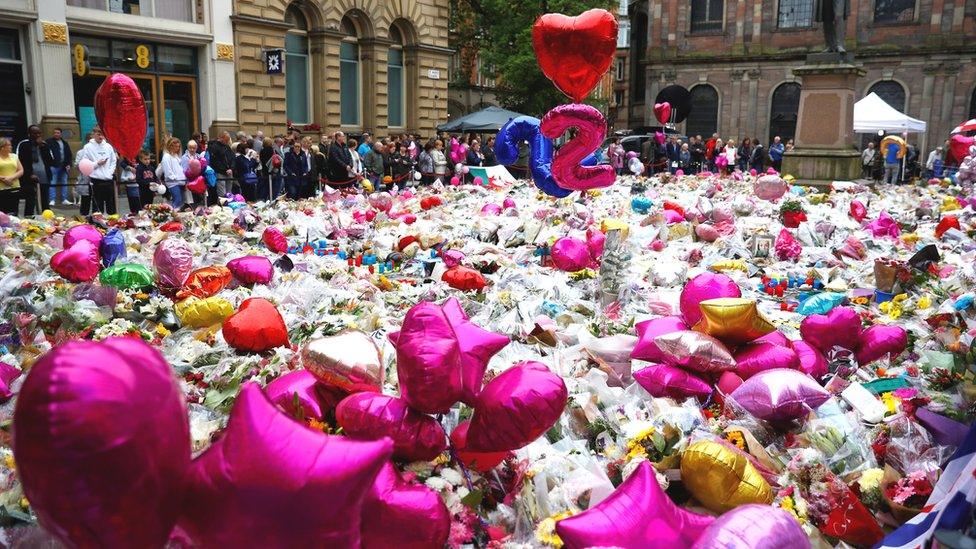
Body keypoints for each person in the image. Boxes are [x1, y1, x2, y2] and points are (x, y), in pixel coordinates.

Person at [16, 125, 54, 216]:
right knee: (31, 201)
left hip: (44, 176)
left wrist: (42, 147)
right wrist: (30, 174)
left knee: (45, 200)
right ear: (29, 134)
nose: (37, 135)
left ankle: (46, 218)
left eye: (39, 133)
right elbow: (21, 162)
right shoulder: (24, 144)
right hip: (29, 178)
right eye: (35, 133)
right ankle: (29, 218)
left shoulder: (44, 145)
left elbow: (51, 161)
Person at [79, 125, 117, 215]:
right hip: (95, 180)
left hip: (108, 179)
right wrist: (97, 164)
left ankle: (113, 224)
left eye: (102, 135)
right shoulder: (88, 147)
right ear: (93, 134)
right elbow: (84, 164)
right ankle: (97, 225)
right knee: (97, 206)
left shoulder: (108, 146)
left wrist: (110, 173)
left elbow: (113, 161)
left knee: (111, 206)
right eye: (98, 134)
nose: (101, 137)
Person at [206, 131, 235, 205]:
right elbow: (215, 162)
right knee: (222, 193)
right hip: (220, 173)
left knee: (229, 193)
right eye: (226, 140)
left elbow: (232, 158)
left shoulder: (227, 147)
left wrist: (231, 168)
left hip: (229, 172)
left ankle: (229, 205)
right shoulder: (214, 147)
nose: (228, 141)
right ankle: (222, 206)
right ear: (221, 138)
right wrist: (225, 170)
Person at [158, 137, 186, 210]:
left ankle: (176, 214)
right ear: (171, 146)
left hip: (181, 181)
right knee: (177, 200)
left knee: (181, 201)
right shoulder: (166, 156)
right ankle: (172, 214)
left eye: (179, 146)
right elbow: (167, 170)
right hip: (173, 182)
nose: (178, 148)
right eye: (176, 146)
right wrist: (174, 178)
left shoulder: (176, 156)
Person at [46, 128, 72, 205]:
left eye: (58, 133)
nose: (56, 134)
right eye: (55, 133)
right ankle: (52, 200)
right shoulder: (48, 142)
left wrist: (69, 164)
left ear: (61, 134)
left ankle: (64, 199)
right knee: (52, 182)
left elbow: (69, 154)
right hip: (53, 166)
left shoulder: (64, 143)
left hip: (64, 166)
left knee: (64, 182)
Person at [0, 138, 24, 215]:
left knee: (13, 212)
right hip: (1, 188)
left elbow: (21, 170)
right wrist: (4, 179)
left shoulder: (14, 156)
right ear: (2, 147)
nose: (11, 147)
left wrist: (10, 178)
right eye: (9, 145)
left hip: (14, 187)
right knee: (2, 212)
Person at [181, 140, 206, 206]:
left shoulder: (199, 156)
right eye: (190, 147)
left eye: (194, 148)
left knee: (200, 201)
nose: (192, 149)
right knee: (192, 202)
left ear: (196, 148)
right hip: (189, 182)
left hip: (198, 182)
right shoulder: (184, 158)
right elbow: (184, 170)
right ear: (187, 147)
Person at [259, 137, 281, 201]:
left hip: (265, 171)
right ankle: (272, 200)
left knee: (266, 187)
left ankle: (265, 200)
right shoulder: (272, 150)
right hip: (273, 171)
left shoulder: (262, 151)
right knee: (273, 188)